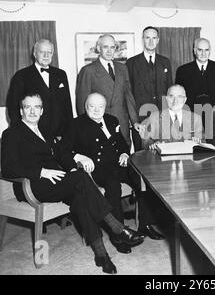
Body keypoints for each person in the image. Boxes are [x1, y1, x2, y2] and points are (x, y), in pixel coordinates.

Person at [1, 93, 144, 274]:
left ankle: (101, 255)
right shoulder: (11, 133)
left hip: (56, 182)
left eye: (36, 107)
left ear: (42, 110)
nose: (32, 111)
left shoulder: (45, 130)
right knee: (80, 177)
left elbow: (62, 153)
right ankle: (117, 228)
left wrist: (73, 165)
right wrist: (41, 172)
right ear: (21, 110)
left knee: (81, 197)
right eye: (28, 107)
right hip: (32, 184)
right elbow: (7, 168)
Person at [57, 93, 147, 251]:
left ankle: (145, 224)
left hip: (119, 164)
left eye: (101, 107)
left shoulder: (112, 120)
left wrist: (125, 153)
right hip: (98, 169)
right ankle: (118, 234)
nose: (97, 110)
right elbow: (61, 150)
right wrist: (79, 157)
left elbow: (121, 142)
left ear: (105, 108)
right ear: (86, 107)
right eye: (92, 106)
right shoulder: (76, 124)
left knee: (144, 178)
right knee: (113, 185)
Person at [76, 34, 139, 146]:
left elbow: (128, 97)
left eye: (112, 47)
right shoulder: (88, 70)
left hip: (122, 124)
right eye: (105, 47)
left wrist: (134, 121)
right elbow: (82, 103)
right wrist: (87, 128)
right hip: (100, 125)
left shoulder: (122, 68)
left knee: (124, 158)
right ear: (99, 48)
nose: (109, 51)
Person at [6, 39, 73, 140]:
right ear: (35, 54)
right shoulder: (21, 76)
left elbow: (67, 105)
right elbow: (13, 107)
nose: (46, 56)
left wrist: (68, 132)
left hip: (59, 135)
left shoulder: (61, 74)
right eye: (42, 52)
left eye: (49, 52)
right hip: (33, 134)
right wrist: (22, 133)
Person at [126, 26, 173, 150]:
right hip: (141, 119)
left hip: (163, 118)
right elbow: (128, 95)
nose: (151, 41)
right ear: (143, 40)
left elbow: (170, 92)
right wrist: (134, 120)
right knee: (142, 156)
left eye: (154, 38)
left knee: (164, 154)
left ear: (158, 40)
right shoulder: (132, 63)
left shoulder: (165, 62)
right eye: (147, 38)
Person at [139, 85, 203, 150]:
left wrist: (198, 143)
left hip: (188, 159)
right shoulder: (154, 117)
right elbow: (146, 143)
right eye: (171, 96)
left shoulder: (196, 119)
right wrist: (152, 145)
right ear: (166, 98)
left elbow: (203, 146)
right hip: (162, 159)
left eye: (179, 97)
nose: (175, 101)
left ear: (185, 100)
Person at [175, 37, 215, 111]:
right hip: (191, 114)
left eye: (206, 50)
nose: (203, 53)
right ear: (195, 51)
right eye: (200, 50)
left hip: (214, 114)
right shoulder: (183, 70)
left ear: (210, 51)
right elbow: (178, 95)